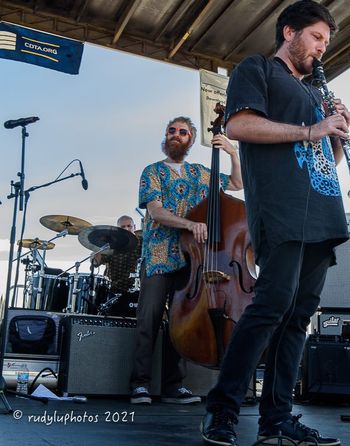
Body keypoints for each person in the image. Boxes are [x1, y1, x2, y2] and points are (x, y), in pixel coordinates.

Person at [201, 1, 349, 445]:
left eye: (327, 41)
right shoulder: (258, 69)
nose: (323, 48)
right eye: (317, 37)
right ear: (290, 31)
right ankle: (221, 411)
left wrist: (338, 130)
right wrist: (312, 129)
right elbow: (242, 124)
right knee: (270, 307)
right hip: (282, 211)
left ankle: (276, 421)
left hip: (323, 213)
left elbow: (328, 161)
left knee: (299, 317)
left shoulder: (316, 92)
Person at [130, 116, 243, 405]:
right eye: (171, 131)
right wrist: (190, 224)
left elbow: (236, 183)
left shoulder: (201, 174)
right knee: (149, 319)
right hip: (158, 255)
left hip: (192, 260)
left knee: (179, 323)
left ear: (191, 140)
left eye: (182, 132)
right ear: (166, 137)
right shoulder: (152, 171)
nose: (176, 135)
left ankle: (172, 387)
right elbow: (156, 212)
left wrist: (232, 153)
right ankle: (139, 384)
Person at [92, 215, 141, 310]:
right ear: (118, 229)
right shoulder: (111, 244)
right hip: (113, 290)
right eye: (123, 227)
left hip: (136, 290)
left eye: (129, 226)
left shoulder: (143, 243)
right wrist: (97, 247)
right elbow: (96, 263)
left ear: (134, 227)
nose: (126, 229)